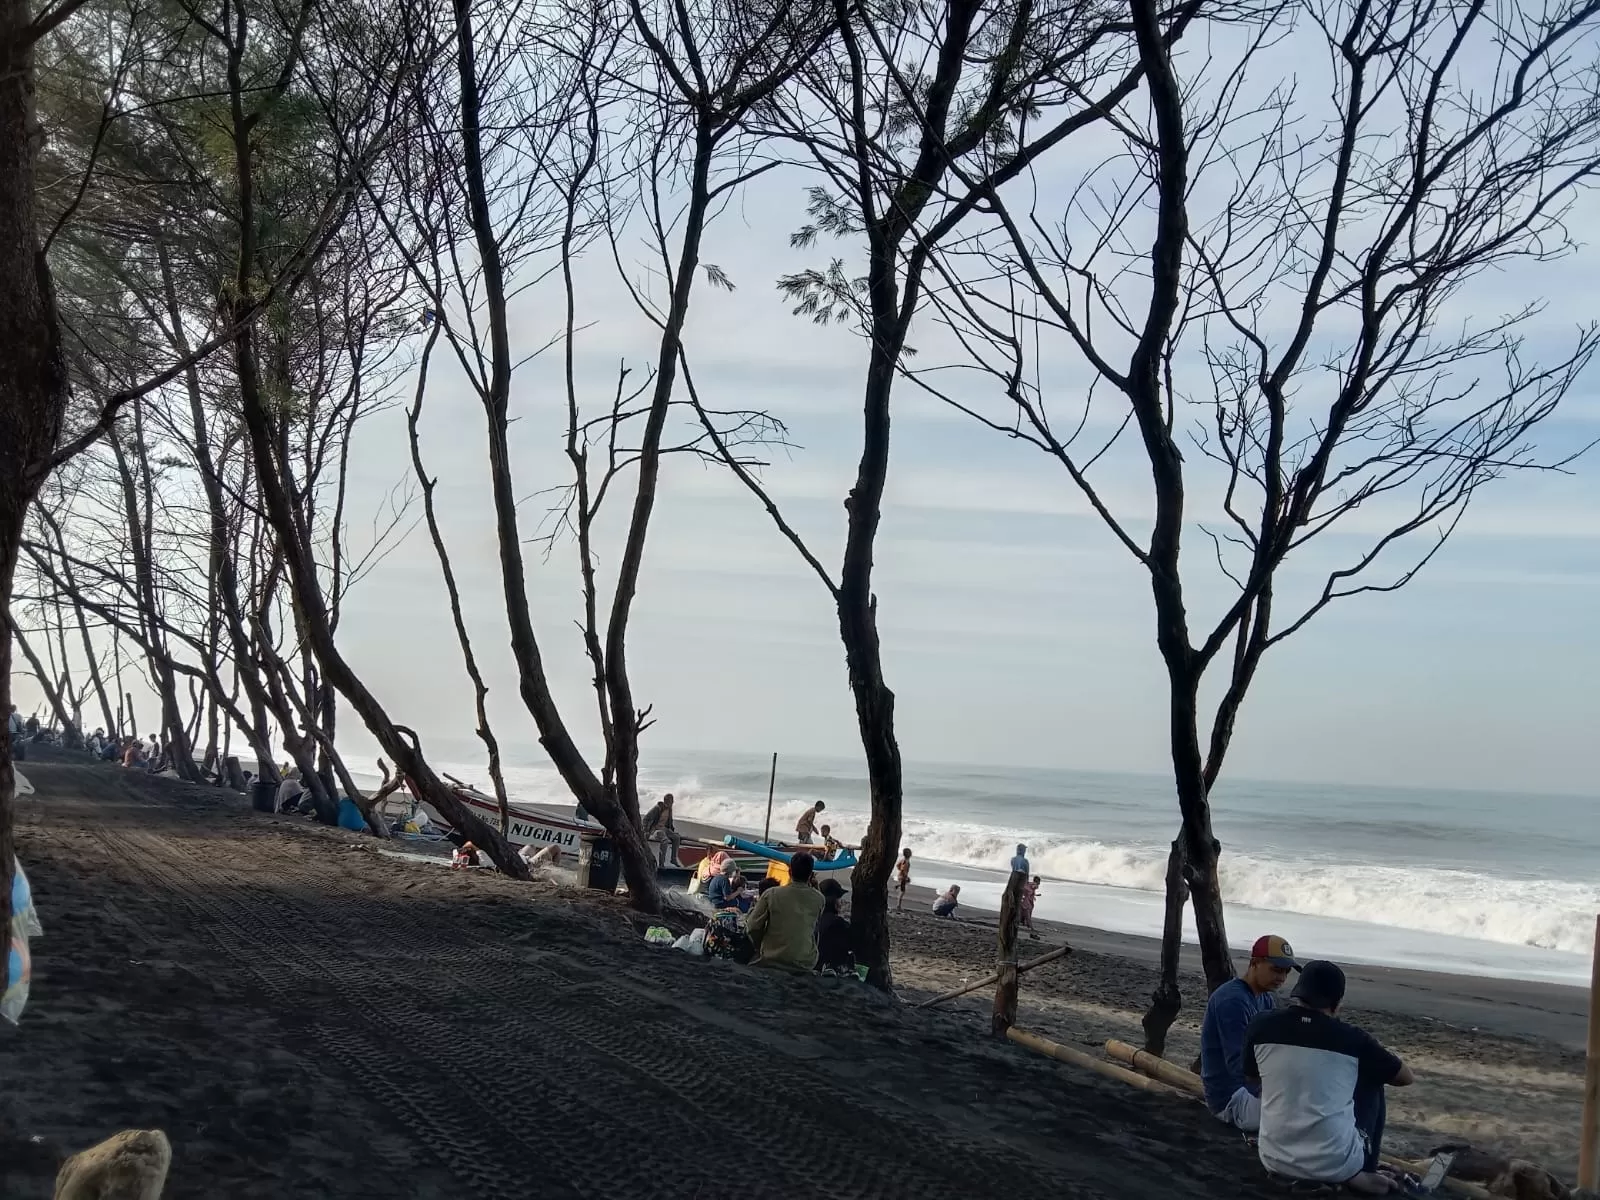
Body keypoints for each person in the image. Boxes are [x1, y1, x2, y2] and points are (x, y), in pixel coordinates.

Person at [1244, 960, 1414, 1195]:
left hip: (1274, 1157)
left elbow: (1251, 1078)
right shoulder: (1353, 1039)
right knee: (1372, 1077)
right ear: (1336, 1005)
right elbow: (1405, 1077)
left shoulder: (1261, 1025)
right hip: (1336, 1165)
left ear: (1298, 994)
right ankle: (1364, 1169)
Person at [1201, 934, 1299, 1133]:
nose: (1281, 978)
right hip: (1232, 1097)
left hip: (1251, 1088)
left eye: (1286, 972)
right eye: (1276, 970)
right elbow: (1237, 1063)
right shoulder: (1232, 1000)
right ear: (1254, 963)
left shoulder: (1266, 999)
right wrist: (1271, 1093)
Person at [745, 851, 825, 971]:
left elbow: (752, 927)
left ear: (789, 872)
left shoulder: (771, 894)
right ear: (810, 875)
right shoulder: (819, 899)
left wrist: (760, 946)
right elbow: (814, 930)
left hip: (772, 958)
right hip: (805, 962)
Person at [815, 878, 853, 975]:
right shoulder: (838, 923)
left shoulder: (813, 919)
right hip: (828, 968)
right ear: (834, 901)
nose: (841, 903)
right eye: (839, 899)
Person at [641, 793, 682, 867]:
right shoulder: (657, 808)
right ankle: (661, 863)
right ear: (666, 801)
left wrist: (672, 832)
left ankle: (673, 859)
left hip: (665, 829)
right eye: (671, 801)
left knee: (677, 838)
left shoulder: (670, 809)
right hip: (655, 830)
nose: (672, 803)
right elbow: (645, 819)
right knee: (665, 840)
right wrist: (646, 830)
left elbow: (670, 822)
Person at [893, 847, 912, 912]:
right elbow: (903, 869)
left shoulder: (903, 860)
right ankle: (898, 906)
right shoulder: (905, 861)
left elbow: (897, 865)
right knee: (902, 891)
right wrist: (905, 876)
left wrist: (900, 871)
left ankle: (898, 885)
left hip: (901, 876)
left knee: (905, 884)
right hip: (902, 876)